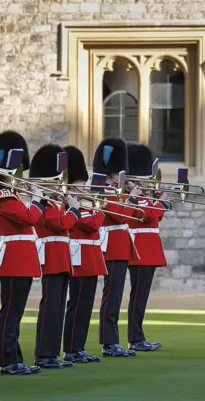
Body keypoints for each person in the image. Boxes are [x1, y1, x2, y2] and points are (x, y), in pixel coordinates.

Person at [0, 131, 44, 375]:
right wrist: (38, 201)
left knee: (16, 313)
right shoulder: (5, 198)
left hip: (22, 259)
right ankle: (7, 360)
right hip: (14, 260)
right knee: (10, 313)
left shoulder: (13, 197)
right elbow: (29, 218)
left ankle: (16, 358)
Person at [92, 138, 144, 357]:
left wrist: (132, 196)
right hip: (112, 247)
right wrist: (131, 198)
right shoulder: (102, 191)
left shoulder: (116, 191)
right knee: (111, 296)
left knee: (116, 296)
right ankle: (108, 342)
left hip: (121, 246)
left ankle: (113, 340)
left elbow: (138, 216)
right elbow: (119, 214)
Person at [29, 144, 80, 369]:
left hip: (61, 257)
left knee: (58, 307)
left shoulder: (53, 204)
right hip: (50, 257)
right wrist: (74, 210)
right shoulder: (43, 205)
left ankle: (52, 352)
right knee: (50, 306)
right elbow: (61, 224)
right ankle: (43, 353)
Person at [62, 146, 106, 364]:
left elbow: (94, 223)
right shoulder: (68, 206)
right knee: (76, 304)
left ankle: (79, 347)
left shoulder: (84, 204)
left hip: (91, 258)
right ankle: (70, 348)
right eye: (79, 183)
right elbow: (91, 224)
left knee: (86, 305)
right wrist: (97, 209)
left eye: (83, 183)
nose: (83, 186)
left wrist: (95, 207)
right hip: (78, 257)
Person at [125, 144, 171, 352]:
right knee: (138, 296)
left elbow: (156, 217)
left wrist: (159, 202)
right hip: (139, 249)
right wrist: (161, 203)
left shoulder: (144, 196)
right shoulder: (131, 198)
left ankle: (137, 336)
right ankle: (135, 338)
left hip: (149, 249)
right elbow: (147, 215)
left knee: (141, 296)